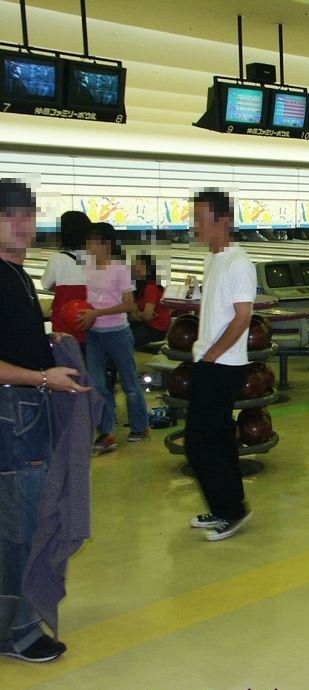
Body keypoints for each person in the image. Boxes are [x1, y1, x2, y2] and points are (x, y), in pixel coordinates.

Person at [0, 179, 91, 663]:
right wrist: (41, 376)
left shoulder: (17, 273)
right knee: (23, 529)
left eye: (28, 215)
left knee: (24, 523)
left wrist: (46, 348)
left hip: (25, 413)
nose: (21, 224)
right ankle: (15, 632)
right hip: (11, 418)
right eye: (8, 215)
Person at [185, 190, 257, 542]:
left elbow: (243, 318)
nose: (195, 225)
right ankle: (226, 506)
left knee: (199, 442)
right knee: (218, 441)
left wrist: (212, 355)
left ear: (223, 221)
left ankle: (230, 511)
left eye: (200, 218)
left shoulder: (239, 263)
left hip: (223, 364)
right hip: (209, 360)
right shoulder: (213, 259)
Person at [78, 223, 149, 451]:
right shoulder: (87, 267)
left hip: (117, 333)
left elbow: (129, 305)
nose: (88, 246)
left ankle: (140, 426)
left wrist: (96, 314)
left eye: (92, 242)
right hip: (93, 334)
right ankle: (106, 432)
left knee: (129, 384)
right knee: (98, 385)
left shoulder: (120, 269)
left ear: (106, 244)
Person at [41, 211, 90, 343]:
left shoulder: (56, 259)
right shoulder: (97, 258)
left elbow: (46, 285)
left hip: (63, 326)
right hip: (90, 322)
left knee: (66, 356)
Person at [128, 254, 170, 348]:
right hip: (145, 324)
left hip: (156, 329)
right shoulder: (139, 287)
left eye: (139, 265)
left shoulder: (151, 287)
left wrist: (137, 313)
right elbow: (133, 315)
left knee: (124, 341)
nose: (135, 268)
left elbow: (147, 315)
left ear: (148, 269)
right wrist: (138, 314)